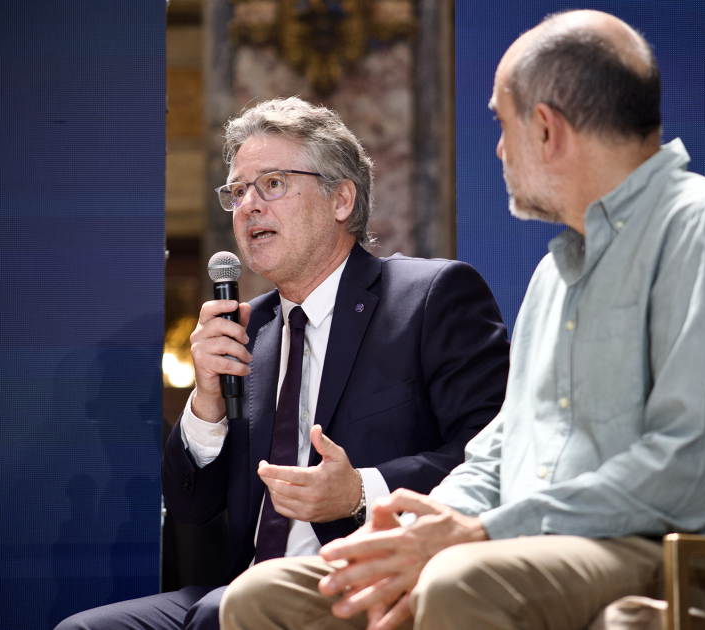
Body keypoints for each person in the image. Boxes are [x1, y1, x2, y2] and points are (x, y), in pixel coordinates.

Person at [219, 10, 705, 630]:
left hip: (698, 558)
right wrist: (415, 530)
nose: (499, 149)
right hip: (543, 546)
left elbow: (686, 471)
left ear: (547, 129)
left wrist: (480, 531)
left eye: (502, 125)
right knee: (264, 597)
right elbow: (494, 456)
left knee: (461, 580)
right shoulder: (554, 274)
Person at [55, 97, 510, 630]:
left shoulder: (430, 295)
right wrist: (204, 404)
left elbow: (490, 453)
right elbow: (191, 507)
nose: (248, 206)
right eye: (237, 191)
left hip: (364, 581)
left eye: (271, 184)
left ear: (341, 199)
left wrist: (360, 490)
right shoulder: (249, 330)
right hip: (240, 582)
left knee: (214, 616)